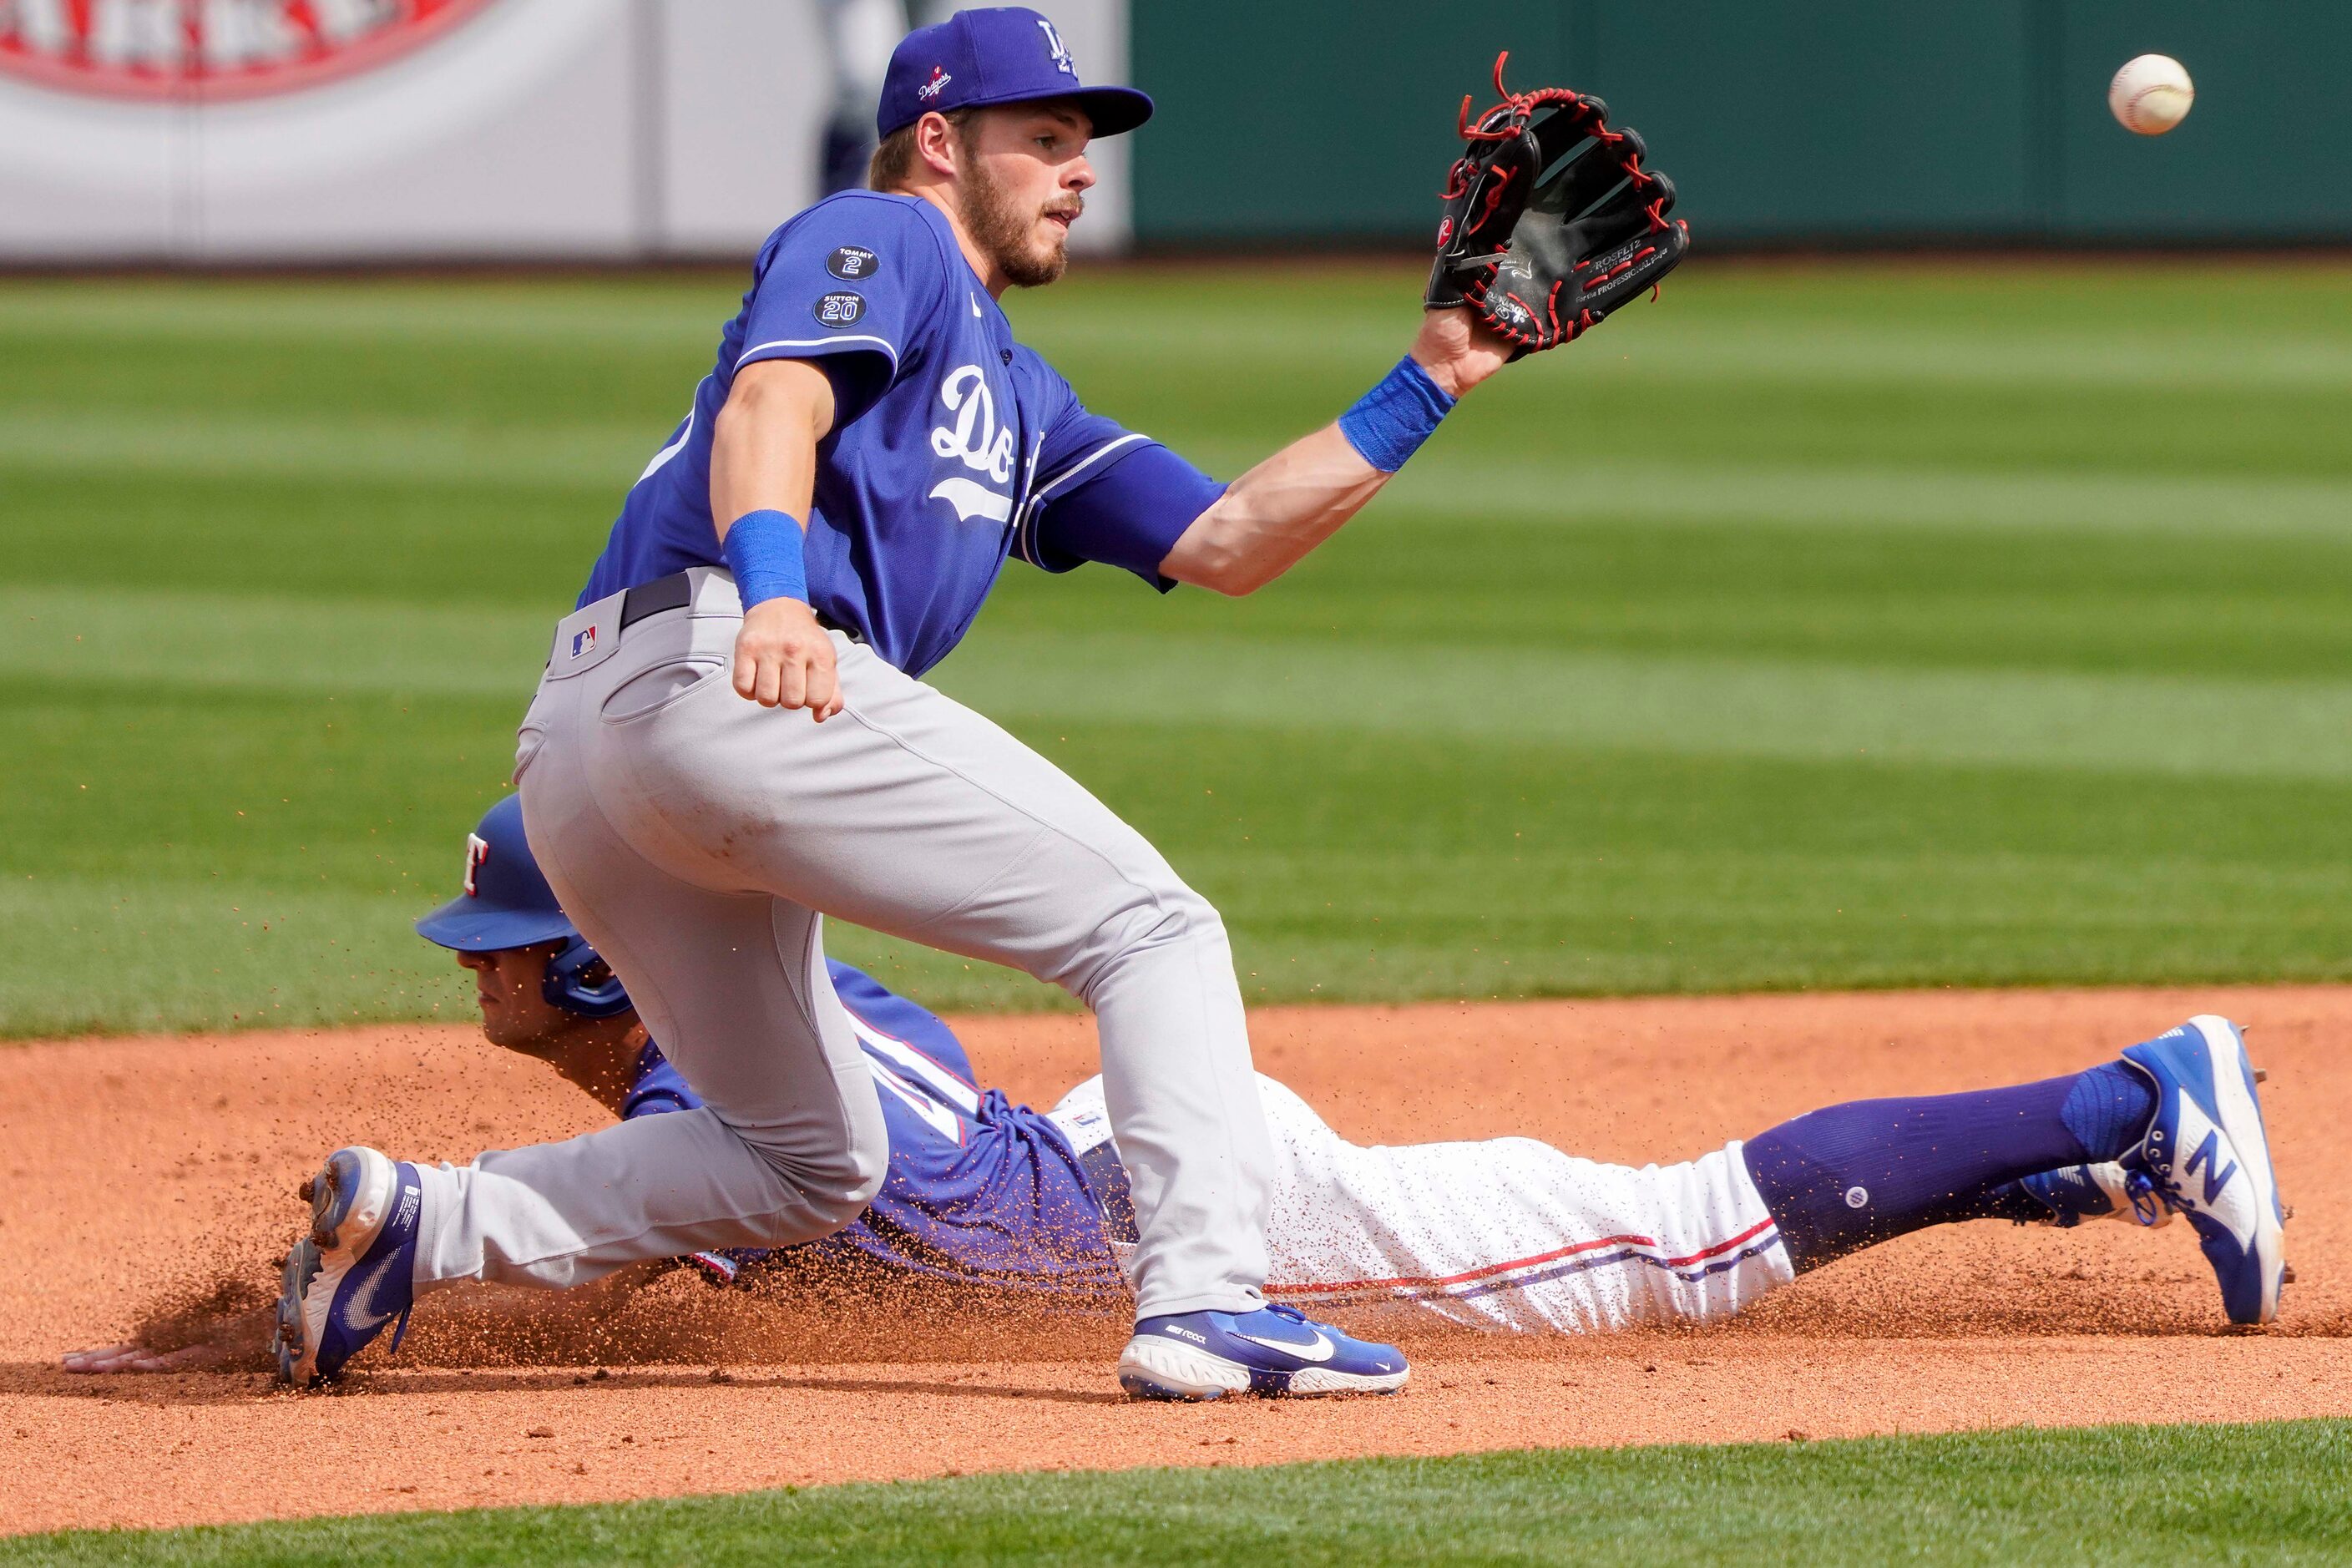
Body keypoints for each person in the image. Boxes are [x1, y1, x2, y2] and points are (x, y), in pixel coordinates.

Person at [273, 5, 1531, 1402]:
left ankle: (422, 1226)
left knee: (812, 1158)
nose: (1078, 171)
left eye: (1083, 146)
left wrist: (1435, 376)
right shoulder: (883, 237)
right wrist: (769, 593)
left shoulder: (1017, 389)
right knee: (1154, 927)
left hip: (593, 748)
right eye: (1045, 139)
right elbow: (773, 406)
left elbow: (1228, 540)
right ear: (938, 141)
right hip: (723, 666)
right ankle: (1209, 1301)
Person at [86, 800, 2272, 1385]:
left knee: (1673, 1247)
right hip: (1145, 1168)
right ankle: (2043, 1161)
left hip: (1226, 1211)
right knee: (1665, 1233)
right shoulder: (742, 1044)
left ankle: (2139, 1084)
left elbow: (727, 1195)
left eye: (496, 960)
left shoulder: (756, 1091)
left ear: (586, 957)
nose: (480, 996)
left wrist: (438, 1231)